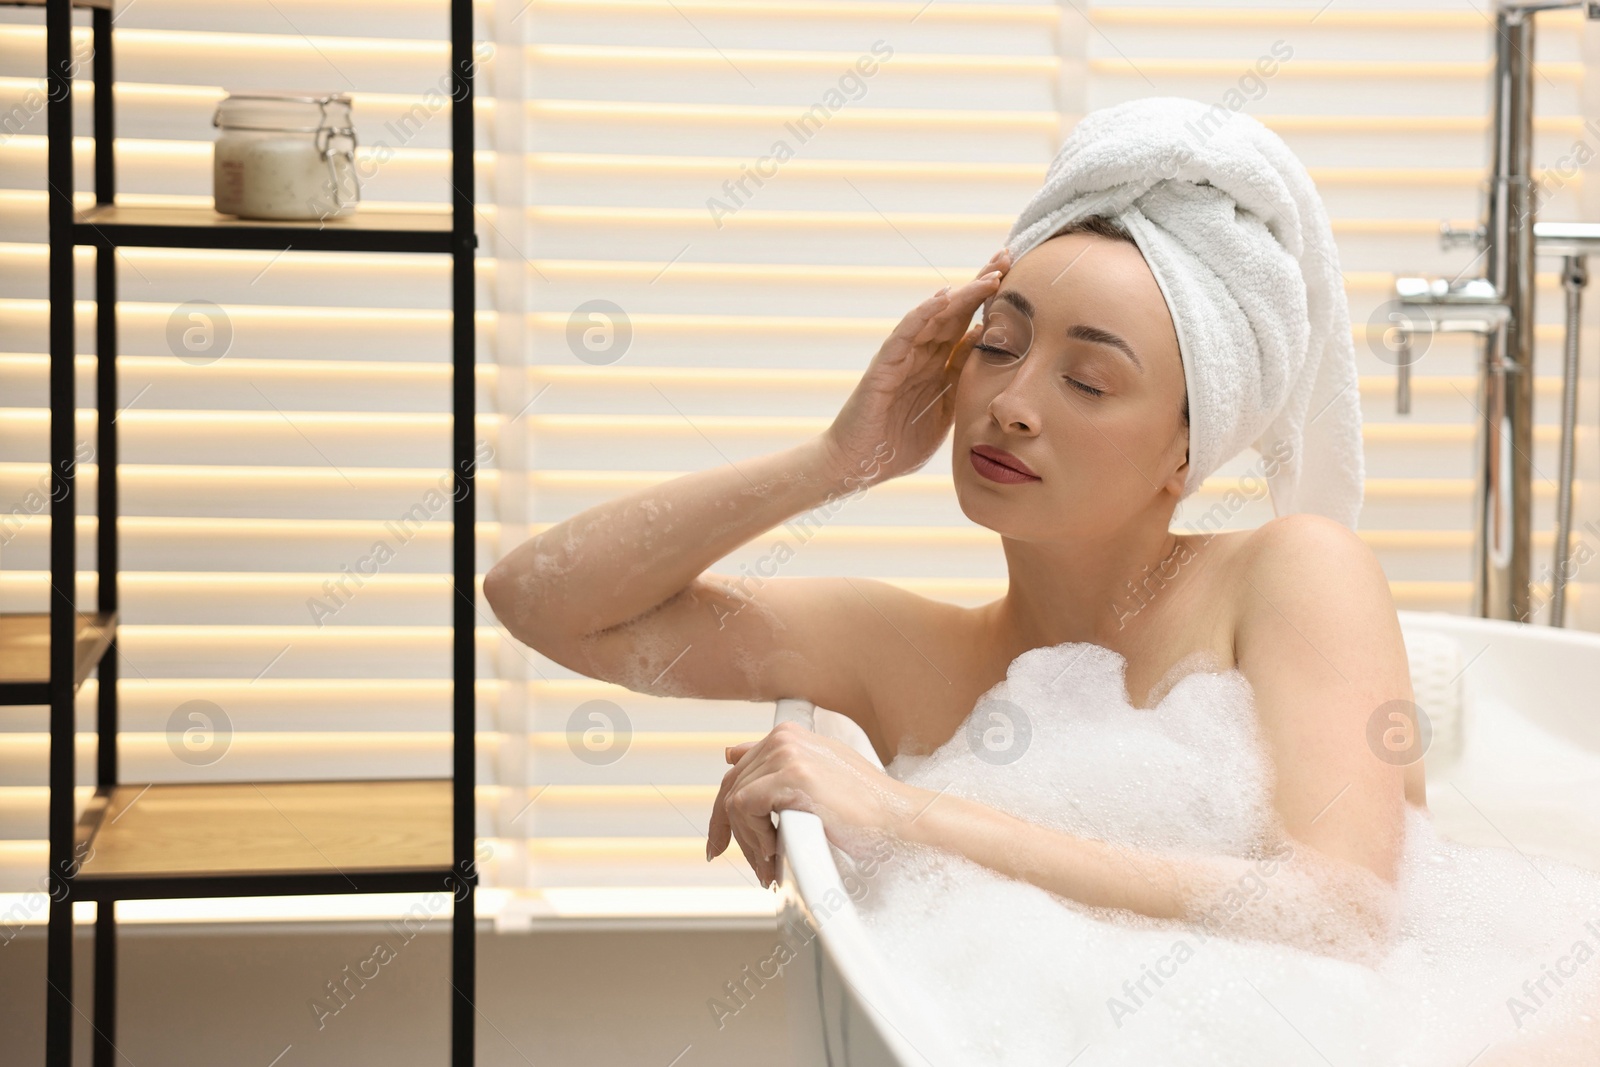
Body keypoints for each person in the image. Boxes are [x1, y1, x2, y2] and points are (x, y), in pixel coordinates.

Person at [482, 218, 1418, 939]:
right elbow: (540, 601)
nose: (1010, 405)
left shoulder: (1291, 571)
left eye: (1087, 381)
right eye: (998, 346)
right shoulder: (907, 653)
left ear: (1186, 448)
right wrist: (834, 460)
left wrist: (903, 812)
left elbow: (1344, 912)